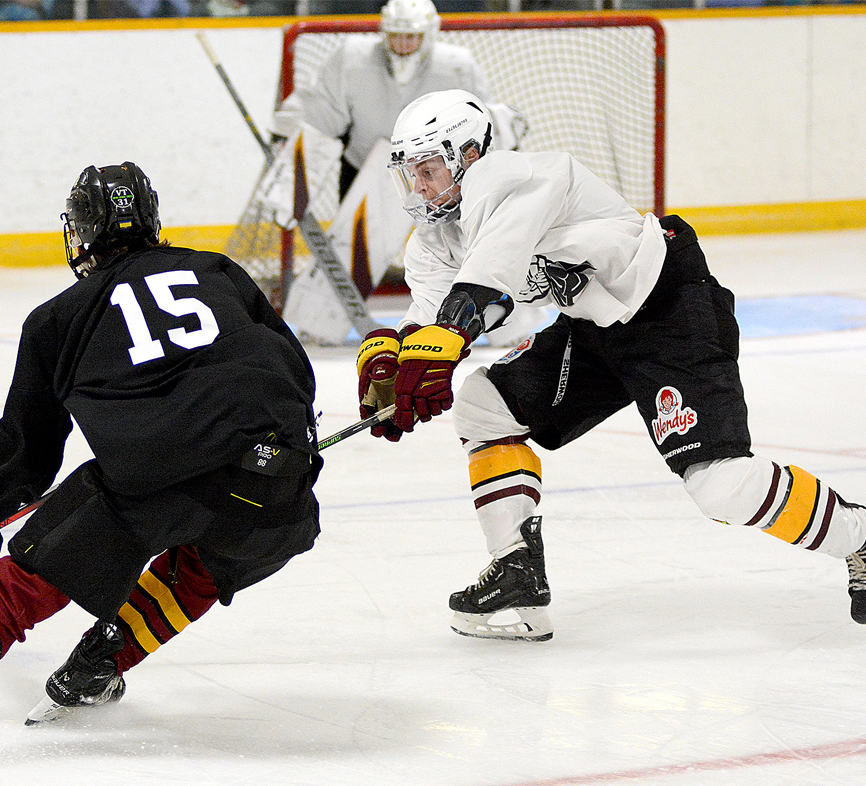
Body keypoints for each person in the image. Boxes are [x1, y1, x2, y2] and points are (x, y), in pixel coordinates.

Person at [0, 162, 323, 773]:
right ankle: (100, 663)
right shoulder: (217, 270)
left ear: (82, 232)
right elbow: (293, 368)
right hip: (273, 476)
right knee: (206, 561)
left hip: (148, 478)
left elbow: (28, 456)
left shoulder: (55, 318)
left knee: (12, 589)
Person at [355, 89, 866, 642]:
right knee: (485, 407)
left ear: (470, 155)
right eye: (411, 173)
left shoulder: (516, 176)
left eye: (429, 169)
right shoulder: (436, 236)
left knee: (720, 486)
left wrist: (444, 339)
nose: (420, 187)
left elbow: (488, 279)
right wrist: (392, 372)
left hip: (671, 311)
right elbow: (427, 317)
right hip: (594, 329)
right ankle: (518, 575)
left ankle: (859, 533)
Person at [270, 0, 525, 202]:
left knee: (446, 244)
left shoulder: (456, 66)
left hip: (432, 171)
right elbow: (322, 107)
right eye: (395, 35)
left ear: (428, 34)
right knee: (355, 255)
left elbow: (478, 120)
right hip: (362, 165)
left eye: (411, 36)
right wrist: (286, 134)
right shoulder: (353, 58)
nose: (402, 44)